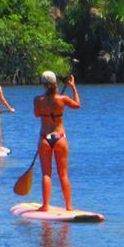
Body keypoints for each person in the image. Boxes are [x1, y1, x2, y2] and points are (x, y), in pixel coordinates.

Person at [33, 70, 80, 211]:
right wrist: (73, 86)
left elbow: (36, 115)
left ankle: (45, 206)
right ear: (55, 83)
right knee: (63, 174)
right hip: (60, 138)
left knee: (46, 174)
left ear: (43, 84)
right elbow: (77, 105)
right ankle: (69, 206)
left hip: (45, 138)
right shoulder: (62, 99)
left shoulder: (37, 100)